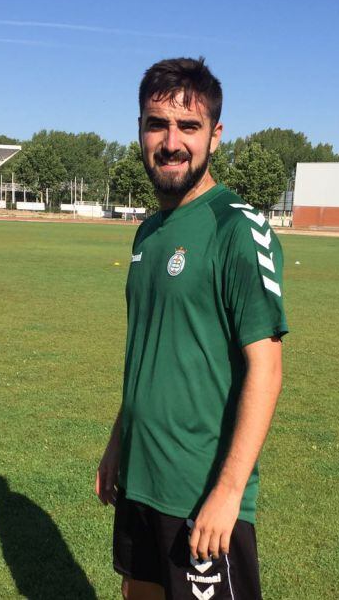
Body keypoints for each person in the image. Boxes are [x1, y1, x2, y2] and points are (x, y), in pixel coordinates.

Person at [96, 57, 288, 600]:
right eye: (157, 123)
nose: (171, 141)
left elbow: (266, 369)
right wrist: (118, 442)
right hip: (141, 478)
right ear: (139, 131)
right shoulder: (148, 234)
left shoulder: (237, 229)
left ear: (215, 136)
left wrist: (227, 493)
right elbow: (151, 351)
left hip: (200, 493)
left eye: (189, 126)